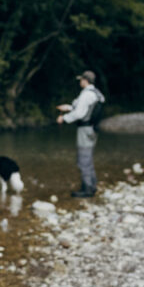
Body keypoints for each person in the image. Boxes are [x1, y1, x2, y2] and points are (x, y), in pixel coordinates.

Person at [56, 70, 105, 198]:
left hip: (85, 130)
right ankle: (92, 185)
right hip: (92, 129)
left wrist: (64, 118)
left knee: (83, 160)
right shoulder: (96, 93)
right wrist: (68, 107)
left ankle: (87, 189)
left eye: (81, 79)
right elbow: (83, 108)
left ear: (85, 80)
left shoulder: (86, 94)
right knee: (88, 158)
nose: (80, 82)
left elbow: (79, 113)